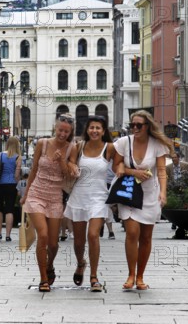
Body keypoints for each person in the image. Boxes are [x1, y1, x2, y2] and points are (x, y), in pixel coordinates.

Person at [113, 110, 174, 291]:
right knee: (132, 232)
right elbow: (117, 165)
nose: (135, 128)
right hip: (129, 192)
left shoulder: (156, 145)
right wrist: (133, 172)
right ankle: (131, 274)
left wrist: (163, 193)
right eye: (132, 125)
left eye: (139, 125)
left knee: (146, 237)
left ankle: (140, 276)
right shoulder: (124, 142)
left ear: (148, 126)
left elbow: (162, 171)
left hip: (149, 194)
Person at [20, 114, 75, 292]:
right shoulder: (42, 144)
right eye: (60, 130)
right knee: (42, 236)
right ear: (55, 128)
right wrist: (26, 194)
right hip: (37, 193)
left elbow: (68, 175)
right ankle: (43, 277)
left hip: (55, 196)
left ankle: (50, 265)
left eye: (66, 131)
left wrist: (61, 161)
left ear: (70, 132)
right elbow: (34, 169)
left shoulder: (71, 148)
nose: (62, 134)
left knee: (53, 243)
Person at [64, 115, 116, 292]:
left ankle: (94, 277)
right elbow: (70, 162)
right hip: (79, 196)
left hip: (99, 197)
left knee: (93, 235)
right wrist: (71, 166)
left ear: (103, 131)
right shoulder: (78, 147)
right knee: (78, 242)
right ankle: (81, 263)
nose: (94, 131)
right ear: (87, 129)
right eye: (91, 127)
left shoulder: (109, 148)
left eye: (98, 128)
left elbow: (120, 166)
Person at [0, 136, 21, 242]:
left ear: (7, 144)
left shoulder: (0, 155)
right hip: (11, 185)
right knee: (9, 209)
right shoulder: (18, 157)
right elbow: (16, 175)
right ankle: (8, 235)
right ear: (17, 145)